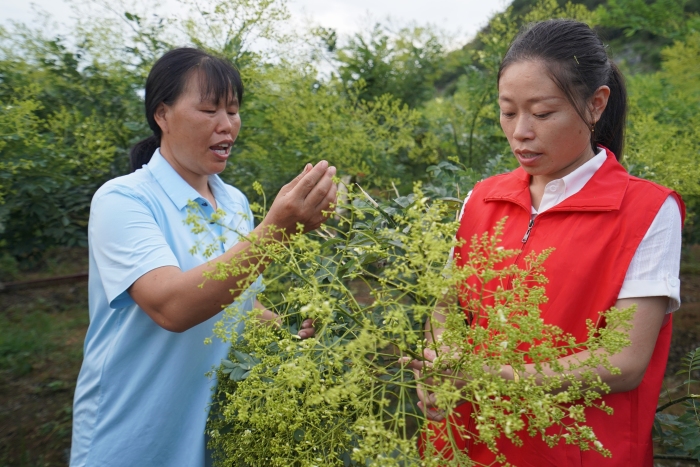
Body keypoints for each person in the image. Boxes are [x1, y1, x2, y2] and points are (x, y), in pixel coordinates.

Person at [406, 19, 684, 466]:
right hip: (463, 445)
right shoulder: (482, 198)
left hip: (574, 452)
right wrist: (439, 364)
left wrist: (485, 377)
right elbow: (448, 307)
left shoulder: (647, 210)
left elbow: (626, 361)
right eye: (508, 111)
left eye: (542, 113)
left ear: (595, 105)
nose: (520, 132)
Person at [70, 48, 337, 466]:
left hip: (212, 433)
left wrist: (285, 333)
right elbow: (171, 307)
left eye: (233, 110)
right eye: (209, 109)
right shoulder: (124, 199)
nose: (227, 125)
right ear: (163, 115)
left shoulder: (234, 203)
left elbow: (240, 304)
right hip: (135, 434)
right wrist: (275, 233)